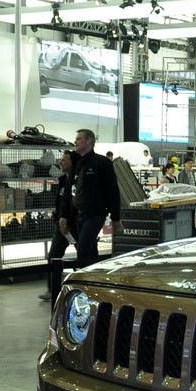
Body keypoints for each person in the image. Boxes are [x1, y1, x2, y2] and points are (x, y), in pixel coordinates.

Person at [72, 128, 123, 263]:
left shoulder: (102, 163)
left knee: (82, 250)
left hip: (95, 215)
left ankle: (83, 274)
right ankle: (93, 272)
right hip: (80, 214)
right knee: (90, 249)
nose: (75, 142)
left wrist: (116, 217)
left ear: (89, 141)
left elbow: (113, 190)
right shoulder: (79, 163)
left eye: (79, 139)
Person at [39, 150, 79, 301]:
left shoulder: (78, 182)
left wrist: (69, 219)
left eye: (64, 160)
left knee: (85, 256)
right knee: (53, 257)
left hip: (76, 225)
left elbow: (75, 204)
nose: (60, 162)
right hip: (61, 225)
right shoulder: (62, 180)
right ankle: (53, 290)